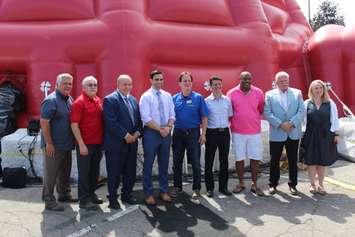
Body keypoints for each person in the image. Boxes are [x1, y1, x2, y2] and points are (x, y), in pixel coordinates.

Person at [103, 74, 142, 209]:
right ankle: (113, 198)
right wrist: (126, 135)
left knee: (130, 171)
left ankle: (127, 195)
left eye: (129, 84)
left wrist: (137, 133)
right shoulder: (110, 100)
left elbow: (138, 121)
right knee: (114, 172)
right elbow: (111, 122)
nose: (127, 87)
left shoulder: (134, 100)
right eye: (124, 84)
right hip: (116, 144)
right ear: (118, 85)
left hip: (132, 143)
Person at [264, 71, 305, 195]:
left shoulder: (297, 93)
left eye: (286, 80)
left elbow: (301, 110)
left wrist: (291, 123)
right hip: (277, 132)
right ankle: (273, 184)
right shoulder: (269, 95)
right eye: (281, 81)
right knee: (274, 160)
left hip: (293, 131)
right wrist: (281, 124)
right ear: (276, 82)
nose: (284, 83)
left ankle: (293, 185)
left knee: (293, 160)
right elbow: (267, 112)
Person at [40, 73, 77, 211]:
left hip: (66, 144)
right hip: (53, 146)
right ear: (57, 84)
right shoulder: (51, 100)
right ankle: (48, 200)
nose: (68, 86)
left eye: (70, 83)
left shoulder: (69, 99)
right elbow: (44, 122)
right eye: (65, 83)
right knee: (51, 174)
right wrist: (49, 143)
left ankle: (64, 194)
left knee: (64, 172)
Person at [171, 71, 209, 204]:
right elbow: (170, 117)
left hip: (193, 133)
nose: (187, 83)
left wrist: (203, 134)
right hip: (178, 133)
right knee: (177, 162)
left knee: (195, 163)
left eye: (189, 81)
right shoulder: (174, 98)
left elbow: (204, 117)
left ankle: (196, 189)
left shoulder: (198, 98)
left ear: (191, 83)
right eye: (184, 81)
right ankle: (177, 187)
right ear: (180, 83)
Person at [139, 70, 175, 205]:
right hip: (151, 133)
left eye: (161, 79)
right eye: (156, 79)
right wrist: (161, 129)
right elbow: (146, 118)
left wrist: (168, 127)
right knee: (148, 164)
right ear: (151, 80)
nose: (159, 82)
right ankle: (148, 194)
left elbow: (172, 114)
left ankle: (163, 191)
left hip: (166, 132)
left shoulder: (167, 96)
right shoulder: (146, 97)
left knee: (164, 163)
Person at [227, 72, 265, 196]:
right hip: (237, 132)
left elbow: (260, 109)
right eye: (244, 79)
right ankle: (241, 183)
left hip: (254, 132)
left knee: (255, 158)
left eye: (249, 78)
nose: (247, 81)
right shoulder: (231, 93)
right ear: (240, 79)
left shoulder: (258, 92)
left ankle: (255, 184)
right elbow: (229, 112)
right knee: (239, 159)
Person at [71, 76, 103, 210]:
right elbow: (74, 125)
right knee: (84, 173)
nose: (93, 87)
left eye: (95, 85)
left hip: (98, 143)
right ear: (83, 87)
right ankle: (84, 200)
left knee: (94, 172)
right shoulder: (79, 103)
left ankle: (91, 194)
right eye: (90, 85)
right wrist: (81, 144)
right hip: (85, 144)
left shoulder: (98, 100)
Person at [303, 80, 340, 195]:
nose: (318, 90)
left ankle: (321, 185)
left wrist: (336, 134)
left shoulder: (330, 103)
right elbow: (303, 121)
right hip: (310, 135)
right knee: (311, 161)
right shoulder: (306, 103)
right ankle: (312, 184)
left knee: (322, 162)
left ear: (323, 89)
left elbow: (335, 119)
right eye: (316, 88)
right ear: (311, 90)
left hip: (325, 135)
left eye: (320, 88)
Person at [204, 75, 233, 197]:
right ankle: (209, 188)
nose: (217, 87)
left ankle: (223, 187)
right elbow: (204, 119)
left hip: (224, 133)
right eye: (215, 85)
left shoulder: (227, 100)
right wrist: (204, 134)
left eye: (219, 84)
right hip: (211, 133)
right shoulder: (206, 101)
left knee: (224, 161)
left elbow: (230, 115)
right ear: (210, 87)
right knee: (209, 162)